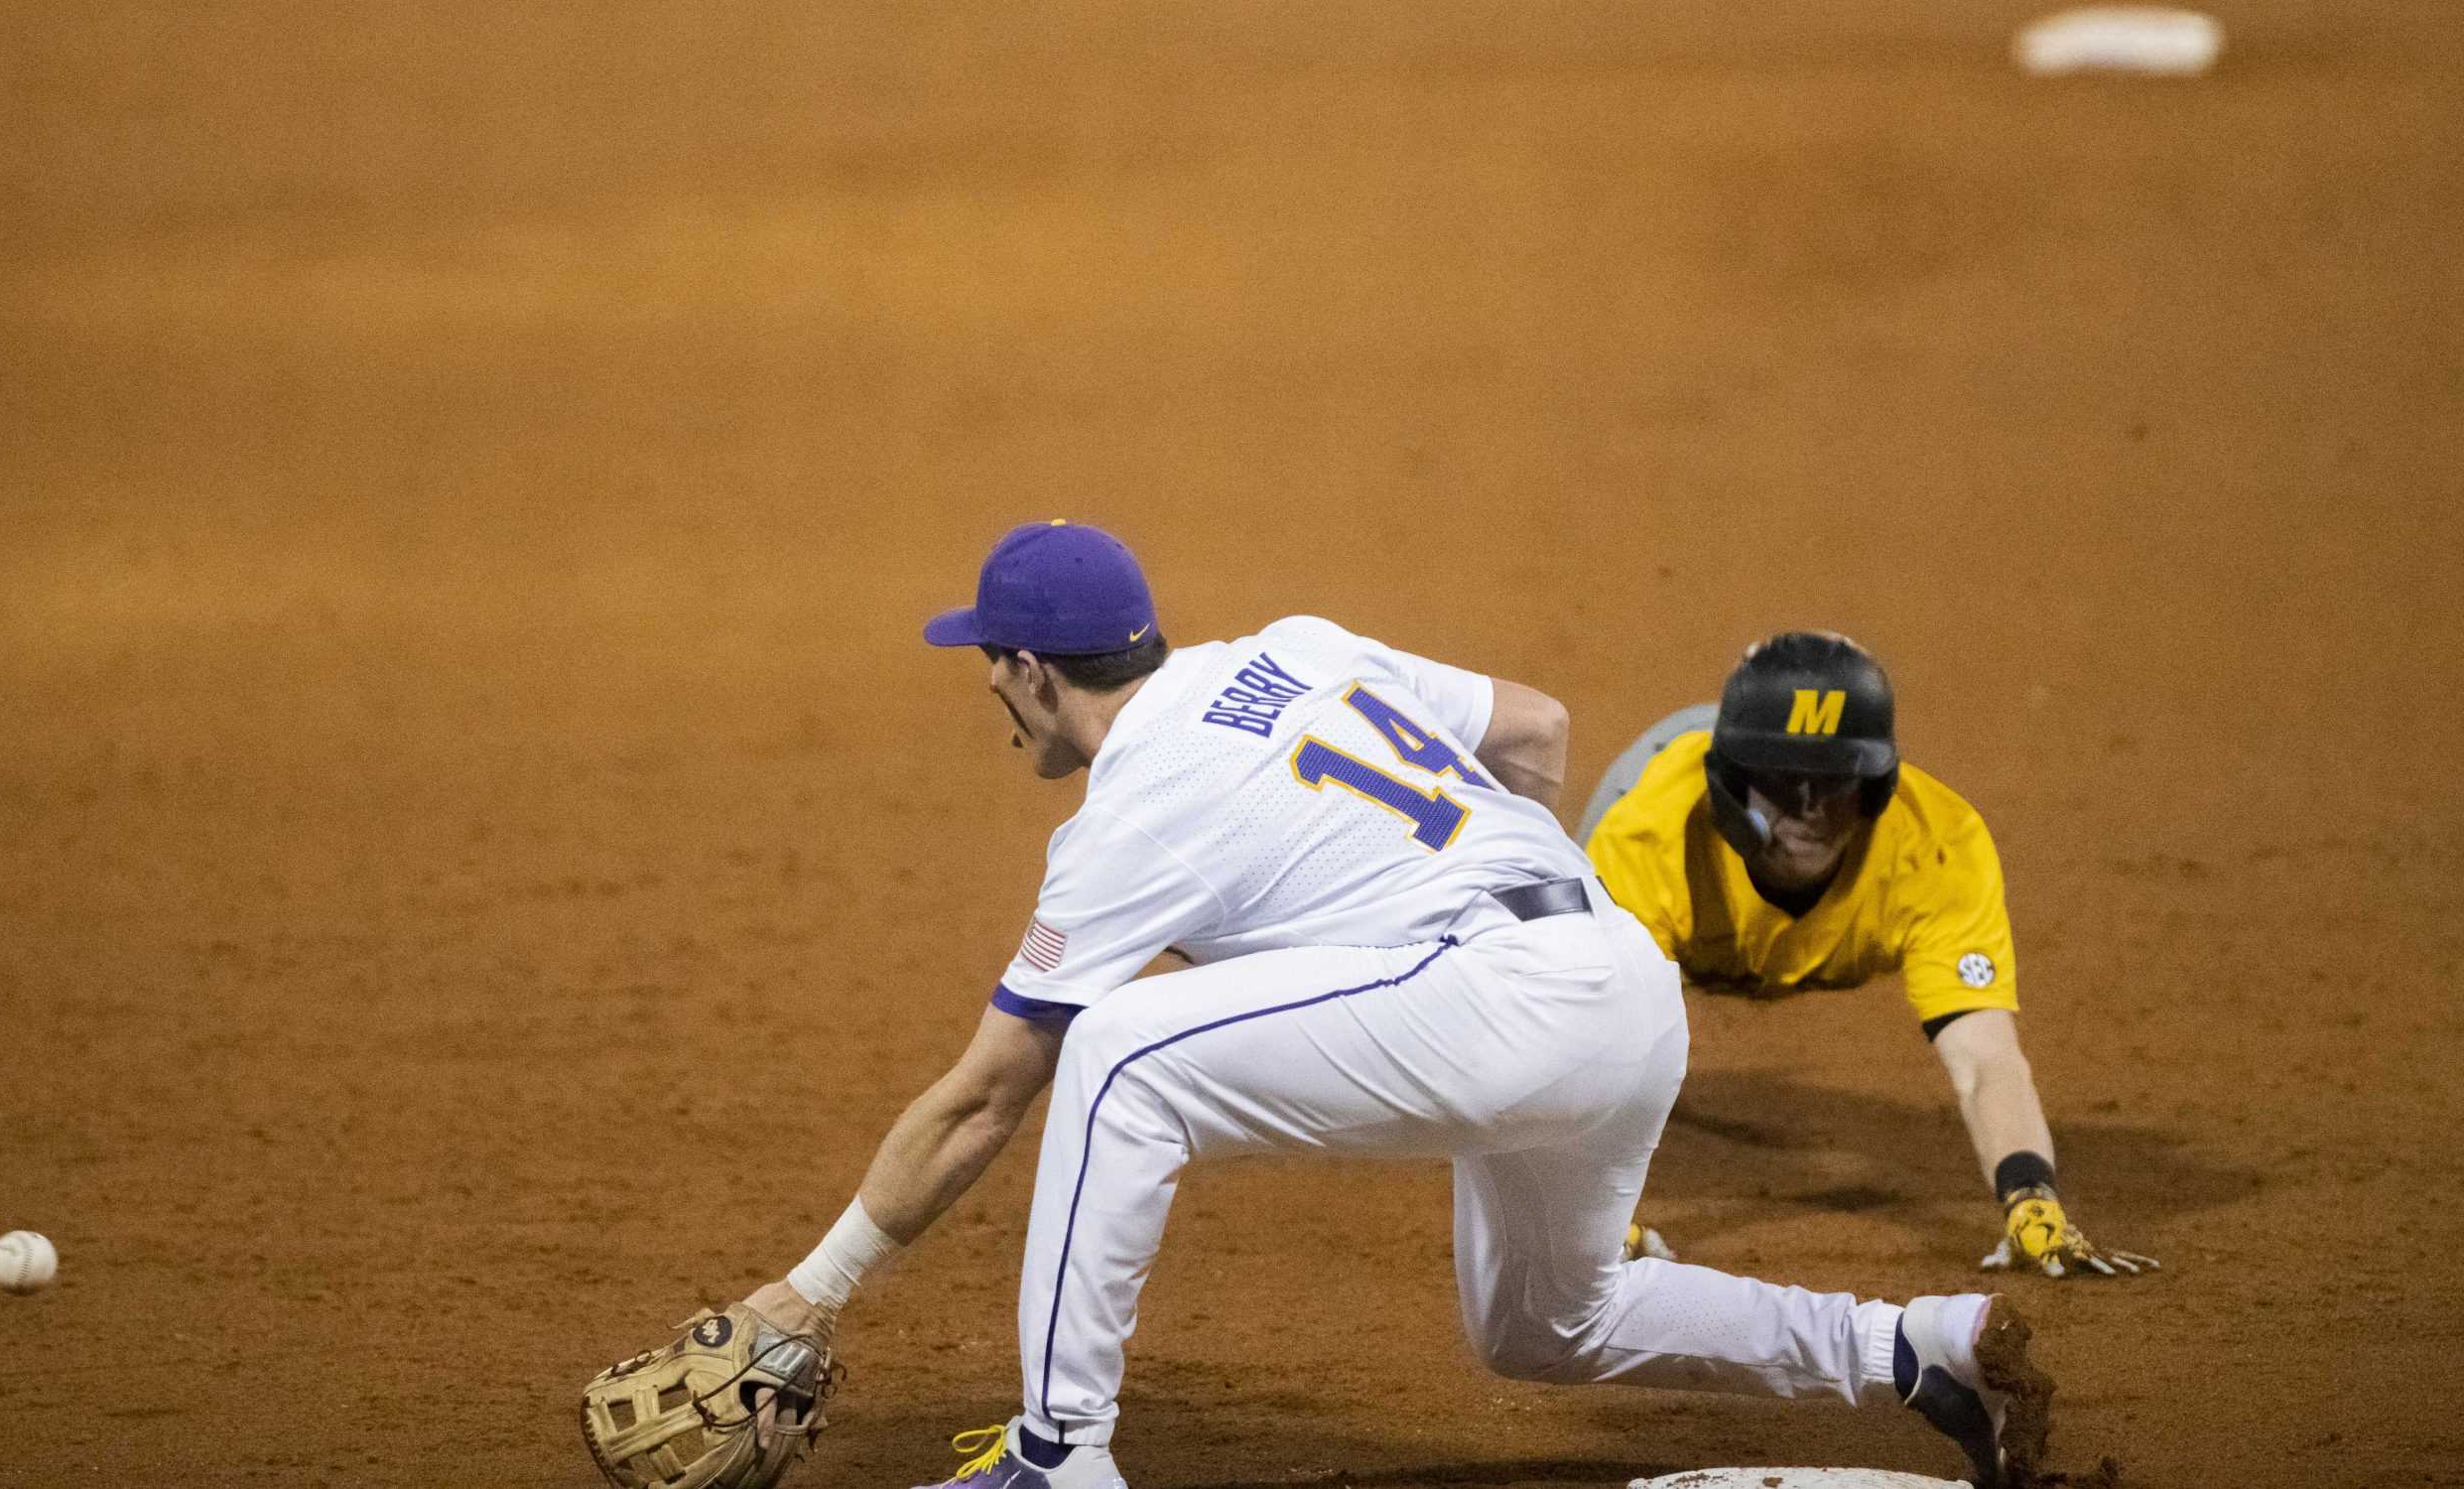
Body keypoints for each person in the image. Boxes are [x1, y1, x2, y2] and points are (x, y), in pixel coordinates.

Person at [741, 524, 2052, 1489]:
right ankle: (1913, 1342)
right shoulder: (1295, 648)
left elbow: (984, 1093)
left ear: (1033, 669)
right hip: (1622, 982)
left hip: (1501, 992)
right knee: (1550, 1317)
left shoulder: (1125, 813)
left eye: (987, 662)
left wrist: (812, 1289)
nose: (983, 687)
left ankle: (1056, 1456)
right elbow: (1535, 728)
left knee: (1122, 1056)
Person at [1577, 631, 2156, 1281]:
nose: (1806, 809)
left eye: (1833, 783)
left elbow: (1985, 1058)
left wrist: (2032, 1198)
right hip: (1661, 779)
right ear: (1734, 779)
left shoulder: (1937, 846)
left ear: (1877, 785)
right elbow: (1594, 1049)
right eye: (1781, 781)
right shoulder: (1648, 835)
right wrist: (1591, 1213)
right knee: (1577, 997)